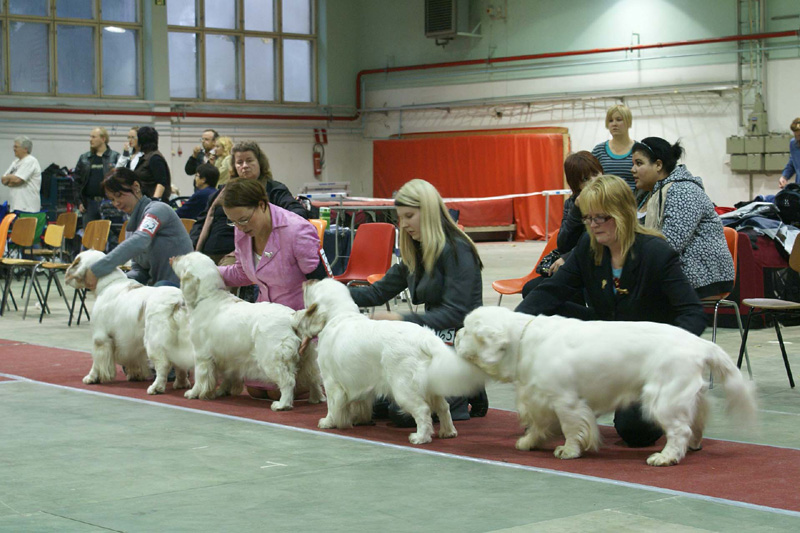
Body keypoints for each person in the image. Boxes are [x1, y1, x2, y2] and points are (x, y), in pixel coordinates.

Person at [516, 175, 706, 447]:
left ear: (623, 213)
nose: (592, 225)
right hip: (607, 342)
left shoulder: (656, 252)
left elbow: (693, 312)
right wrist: (512, 324)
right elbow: (552, 291)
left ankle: (686, 399)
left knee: (635, 433)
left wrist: (668, 355)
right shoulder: (587, 246)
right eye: (588, 218)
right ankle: (560, 389)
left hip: (647, 356)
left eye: (600, 218)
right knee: (537, 295)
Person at [348, 179, 489, 424]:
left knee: (402, 413)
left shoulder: (458, 250)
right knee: (374, 402)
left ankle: (467, 388)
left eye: (409, 216)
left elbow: (457, 314)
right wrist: (331, 291)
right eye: (400, 218)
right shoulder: (416, 251)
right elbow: (376, 293)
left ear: (429, 211)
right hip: (429, 342)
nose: (402, 225)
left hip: (457, 344)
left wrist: (400, 319)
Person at [631, 137, 734, 299]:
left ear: (658, 165)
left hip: (704, 277)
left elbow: (670, 244)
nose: (633, 169)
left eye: (639, 163)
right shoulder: (647, 194)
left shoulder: (684, 190)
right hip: (677, 272)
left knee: (631, 293)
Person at [194, 140, 307, 265]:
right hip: (206, 254)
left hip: (242, 255)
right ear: (234, 167)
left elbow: (297, 214)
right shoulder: (222, 192)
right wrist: (191, 250)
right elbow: (200, 223)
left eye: (249, 160)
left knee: (218, 275)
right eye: (239, 162)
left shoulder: (274, 190)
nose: (244, 166)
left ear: (260, 163)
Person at [82, 168, 193, 290]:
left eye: (118, 195)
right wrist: (117, 281)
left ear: (136, 187)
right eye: (112, 199)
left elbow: (141, 240)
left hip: (180, 288)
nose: (116, 203)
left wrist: (98, 269)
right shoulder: (131, 228)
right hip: (157, 290)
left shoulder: (158, 210)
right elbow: (139, 271)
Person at [218, 178, 320, 309]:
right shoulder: (242, 230)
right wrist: (206, 270)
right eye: (233, 222)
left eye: (243, 220)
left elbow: (321, 285)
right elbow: (242, 274)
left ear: (262, 205)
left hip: (299, 314)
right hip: (264, 312)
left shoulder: (297, 231)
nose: (239, 227)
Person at [521, 151, 603, 297]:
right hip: (575, 265)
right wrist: (576, 210)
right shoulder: (572, 203)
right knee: (531, 289)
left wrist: (568, 257)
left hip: (598, 264)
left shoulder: (612, 200)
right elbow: (563, 244)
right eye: (585, 179)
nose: (593, 181)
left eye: (596, 174)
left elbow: (600, 242)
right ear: (576, 184)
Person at [74, 127, 120, 228]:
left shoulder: (115, 157)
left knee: (109, 234)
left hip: (109, 204)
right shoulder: (84, 158)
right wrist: (79, 202)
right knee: (89, 235)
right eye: (90, 137)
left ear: (103, 139)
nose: (90, 140)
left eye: (94, 137)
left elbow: (120, 182)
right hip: (89, 204)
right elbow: (77, 182)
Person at [592, 104, 637, 192]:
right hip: (605, 199)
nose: (614, 124)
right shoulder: (599, 151)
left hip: (634, 199)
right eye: (610, 120)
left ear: (628, 122)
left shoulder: (639, 150)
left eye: (619, 120)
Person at [1, 136, 41, 213]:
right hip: (14, 206)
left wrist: (9, 178)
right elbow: (3, 180)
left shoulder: (30, 161)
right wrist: (11, 179)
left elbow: (17, 180)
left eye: (16, 147)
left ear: (25, 149)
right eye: (14, 146)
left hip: (27, 208)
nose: (14, 149)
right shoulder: (15, 162)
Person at [134, 126, 171, 203]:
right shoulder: (146, 157)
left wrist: (154, 201)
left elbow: (161, 183)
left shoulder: (155, 158)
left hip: (152, 203)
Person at [778, 117, 800, 189]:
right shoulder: (794, 144)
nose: (798, 139)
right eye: (796, 135)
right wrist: (785, 176)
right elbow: (792, 163)